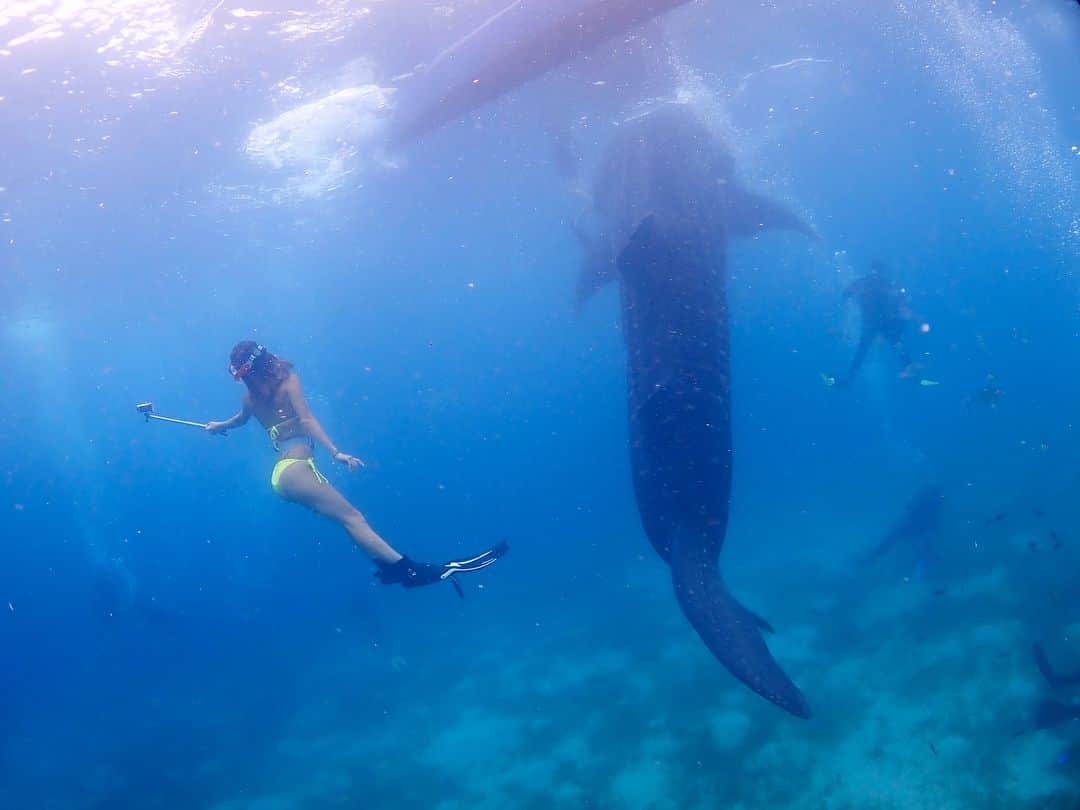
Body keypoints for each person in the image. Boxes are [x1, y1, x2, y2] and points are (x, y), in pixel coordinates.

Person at [207, 341, 506, 593]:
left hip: (284, 475)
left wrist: (218, 426)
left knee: (349, 520)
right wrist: (336, 453)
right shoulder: (287, 382)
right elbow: (307, 419)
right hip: (296, 468)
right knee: (353, 518)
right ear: (266, 359)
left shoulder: (250, 398)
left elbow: (240, 420)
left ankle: (392, 569)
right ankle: (410, 572)